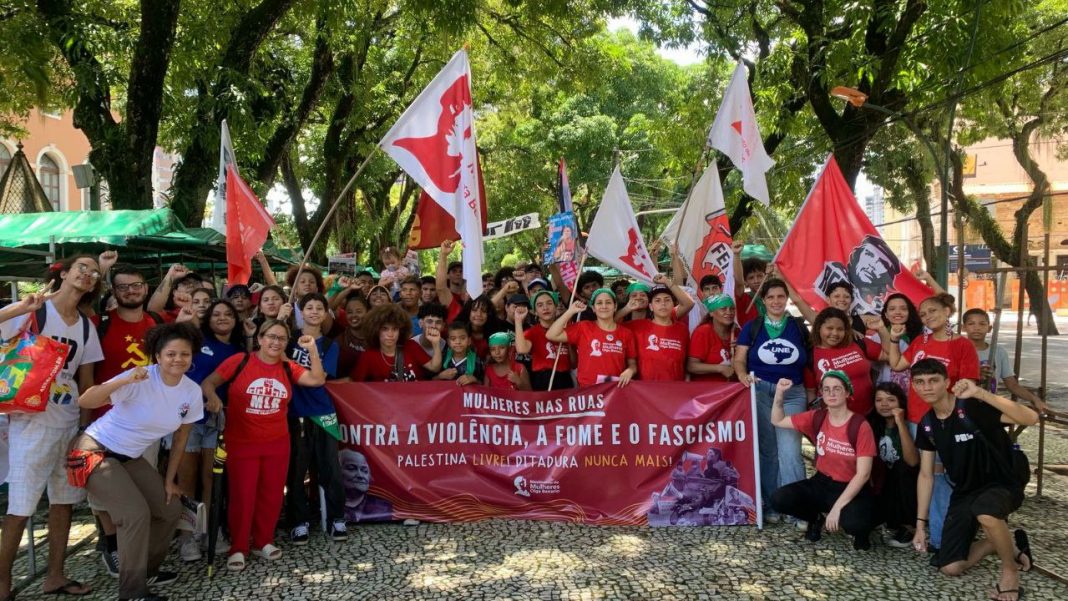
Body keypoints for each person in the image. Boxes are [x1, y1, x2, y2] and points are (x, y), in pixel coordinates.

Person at [75, 323, 205, 600]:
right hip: (94, 451)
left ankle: (145, 570)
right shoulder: (141, 378)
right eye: (171, 354)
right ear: (158, 356)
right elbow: (86, 401)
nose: (178, 359)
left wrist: (170, 481)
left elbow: (181, 439)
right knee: (135, 514)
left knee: (170, 510)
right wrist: (123, 380)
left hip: (129, 457)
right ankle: (132, 591)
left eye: (185, 354)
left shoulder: (191, 391)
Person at [0, 256, 105, 598]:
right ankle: (2, 583)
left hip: (68, 420)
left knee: (64, 501)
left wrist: (84, 432)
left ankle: (55, 576)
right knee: (20, 506)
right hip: (30, 420)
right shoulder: (34, 309)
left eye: (94, 273)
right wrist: (17, 310)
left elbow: (85, 379)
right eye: (83, 267)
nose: (88, 275)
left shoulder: (86, 324)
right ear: (65, 271)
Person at [200, 320, 326, 571]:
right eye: (271, 336)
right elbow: (208, 383)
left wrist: (312, 349)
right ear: (259, 338)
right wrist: (213, 397)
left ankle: (263, 540)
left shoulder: (289, 367)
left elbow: (317, 379)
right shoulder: (240, 361)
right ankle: (239, 546)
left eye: (281, 338)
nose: (275, 342)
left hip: (277, 442)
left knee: (272, 493)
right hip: (241, 441)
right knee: (242, 495)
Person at [910, 360, 1038, 601]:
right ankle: (1003, 542)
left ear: (947, 383)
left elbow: (1030, 418)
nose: (927, 387)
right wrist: (919, 526)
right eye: (920, 382)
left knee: (986, 511)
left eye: (933, 380)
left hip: (1002, 482)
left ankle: (1009, 570)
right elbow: (926, 475)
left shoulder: (971, 406)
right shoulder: (927, 425)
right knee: (950, 566)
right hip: (966, 490)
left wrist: (980, 392)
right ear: (914, 386)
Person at [172, 298, 245, 562]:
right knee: (187, 481)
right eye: (217, 314)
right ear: (208, 318)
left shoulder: (239, 349)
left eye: (228, 314)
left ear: (236, 320)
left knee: (211, 482)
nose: (223, 318)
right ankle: (186, 537)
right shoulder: (196, 340)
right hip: (188, 421)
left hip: (218, 422)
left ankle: (208, 532)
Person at [769, 372, 876, 549]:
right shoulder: (817, 417)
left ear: (847, 393)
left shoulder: (860, 425)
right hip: (822, 482)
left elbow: (863, 474)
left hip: (851, 486)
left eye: (837, 389)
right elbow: (777, 420)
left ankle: (861, 531)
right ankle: (816, 518)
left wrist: (837, 509)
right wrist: (780, 393)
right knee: (779, 499)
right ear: (822, 394)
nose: (831, 393)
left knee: (855, 523)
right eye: (827, 389)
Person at [732, 278, 809, 523]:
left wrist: (797, 295)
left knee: (791, 450)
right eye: (771, 297)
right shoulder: (751, 327)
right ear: (763, 301)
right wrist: (742, 375)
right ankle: (774, 503)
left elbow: (820, 325)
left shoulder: (798, 326)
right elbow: (739, 358)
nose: (776, 301)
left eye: (781, 296)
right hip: (761, 391)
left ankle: (797, 506)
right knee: (768, 451)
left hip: (792, 393)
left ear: (787, 298)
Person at [285, 294, 347, 545]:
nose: (313, 312)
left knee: (330, 467)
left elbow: (320, 376)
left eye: (319, 308)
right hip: (295, 412)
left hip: (323, 412)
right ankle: (299, 522)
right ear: (300, 312)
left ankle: (337, 518)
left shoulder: (331, 345)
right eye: (308, 307)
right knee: (297, 469)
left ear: (325, 314)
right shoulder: (287, 342)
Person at [546, 289, 637, 387]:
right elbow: (551, 334)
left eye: (608, 302)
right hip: (588, 391)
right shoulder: (583, 327)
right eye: (599, 303)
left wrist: (630, 371)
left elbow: (633, 364)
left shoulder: (626, 333)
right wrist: (570, 311)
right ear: (593, 308)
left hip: (614, 390)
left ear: (615, 307)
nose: (604, 306)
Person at [961, 308, 1046, 412]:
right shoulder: (957, 350)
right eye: (971, 324)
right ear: (963, 328)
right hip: (962, 406)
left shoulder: (998, 352)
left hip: (990, 405)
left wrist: (1034, 399)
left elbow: (1012, 384)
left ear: (989, 328)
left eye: (982, 324)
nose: (977, 328)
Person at [869, 382, 919, 549]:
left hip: (905, 482)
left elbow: (912, 461)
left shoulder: (909, 425)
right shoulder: (871, 425)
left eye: (890, 400)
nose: (884, 404)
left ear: (900, 403)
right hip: (882, 481)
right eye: (879, 400)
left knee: (902, 468)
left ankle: (909, 526)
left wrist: (900, 422)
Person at [804, 307, 880, 416]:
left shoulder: (858, 343)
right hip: (834, 421)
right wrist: (816, 416)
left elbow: (889, 355)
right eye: (829, 328)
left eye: (840, 329)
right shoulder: (811, 355)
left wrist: (881, 330)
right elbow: (810, 391)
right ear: (818, 328)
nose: (835, 333)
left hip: (869, 415)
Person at [352, 304, 442, 382]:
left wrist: (436, 343)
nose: (390, 334)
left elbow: (434, 367)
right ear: (375, 330)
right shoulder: (368, 356)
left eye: (394, 329)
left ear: (401, 330)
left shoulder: (411, 346)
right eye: (385, 329)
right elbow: (356, 385)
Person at [625, 283, 690, 382]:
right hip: (645, 391)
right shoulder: (636, 326)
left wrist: (667, 281)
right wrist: (627, 309)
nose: (663, 304)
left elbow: (687, 361)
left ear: (673, 304)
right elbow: (611, 324)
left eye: (667, 300)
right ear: (651, 306)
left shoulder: (682, 329)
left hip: (675, 390)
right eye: (657, 300)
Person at [518, 290, 574, 391]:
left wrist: (570, 340)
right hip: (542, 380)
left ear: (556, 307)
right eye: (540, 305)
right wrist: (518, 321)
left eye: (549, 303)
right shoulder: (532, 332)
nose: (545, 308)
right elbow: (522, 350)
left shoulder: (566, 330)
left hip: (565, 379)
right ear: (535, 311)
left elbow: (574, 363)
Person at [687, 294, 738, 382]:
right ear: (711, 313)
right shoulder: (703, 332)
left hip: (731, 390)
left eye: (732, 308)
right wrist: (720, 368)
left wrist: (740, 350)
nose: (729, 312)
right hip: (707, 392)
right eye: (723, 308)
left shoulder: (737, 332)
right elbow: (691, 366)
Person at [340, 449, 392, 522]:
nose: (360, 475)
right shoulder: (326, 506)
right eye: (351, 469)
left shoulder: (383, 508)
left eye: (364, 471)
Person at [731, 241, 765, 327]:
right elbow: (739, 283)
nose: (756, 280)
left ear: (766, 277)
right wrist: (736, 255)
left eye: (760, 276)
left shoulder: (774, 298)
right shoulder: (744, 299)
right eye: (751, 278)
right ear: (745, 282)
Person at [334, 293, 369, 378]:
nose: (354, 315)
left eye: (359, 311)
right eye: (349, 312)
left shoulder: (376, 338)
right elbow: (328, 308)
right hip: (343, 388)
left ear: (368, 312)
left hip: (371, 388)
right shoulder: (339, 340)